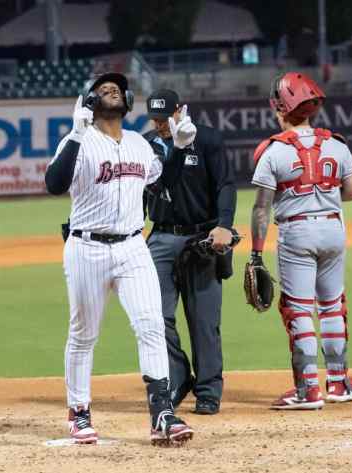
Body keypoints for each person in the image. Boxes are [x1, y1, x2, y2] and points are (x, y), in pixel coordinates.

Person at [44, 73, 194, 446]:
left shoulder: (140, 146)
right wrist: (76, 136)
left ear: (127, 99)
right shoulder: (78, 140)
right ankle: (79, 411)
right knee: (83, 334)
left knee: (151, 325)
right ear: (89, 101)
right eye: (102, 88)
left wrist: (178, 148)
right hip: (86, 248)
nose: (110, 90)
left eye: (116, 88)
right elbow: (54, 184)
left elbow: (162, 184)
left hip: (132, 246)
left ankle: (162, 412)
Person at [250, 72, 352, 410]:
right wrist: (324, 197)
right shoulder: (336, 144)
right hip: (333, 229)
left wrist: (256, 255)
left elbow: (261, 209)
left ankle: (307, 389)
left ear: (281, 108)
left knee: (298, 309)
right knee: (332, 305)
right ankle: (340, 382)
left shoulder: (272, 152)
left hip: (296, 232)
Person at [143, 89, 237, 415]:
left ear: (181, 110)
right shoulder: (145, 144)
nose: (160, 125)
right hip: (161, 237)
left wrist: (224, 224)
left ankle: (209, 390)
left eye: (165, 117)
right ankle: (179, 376)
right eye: (154, 119)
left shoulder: (208, 139)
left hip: (202, 237)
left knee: (204, 320)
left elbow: (225, 184)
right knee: (155, 317)